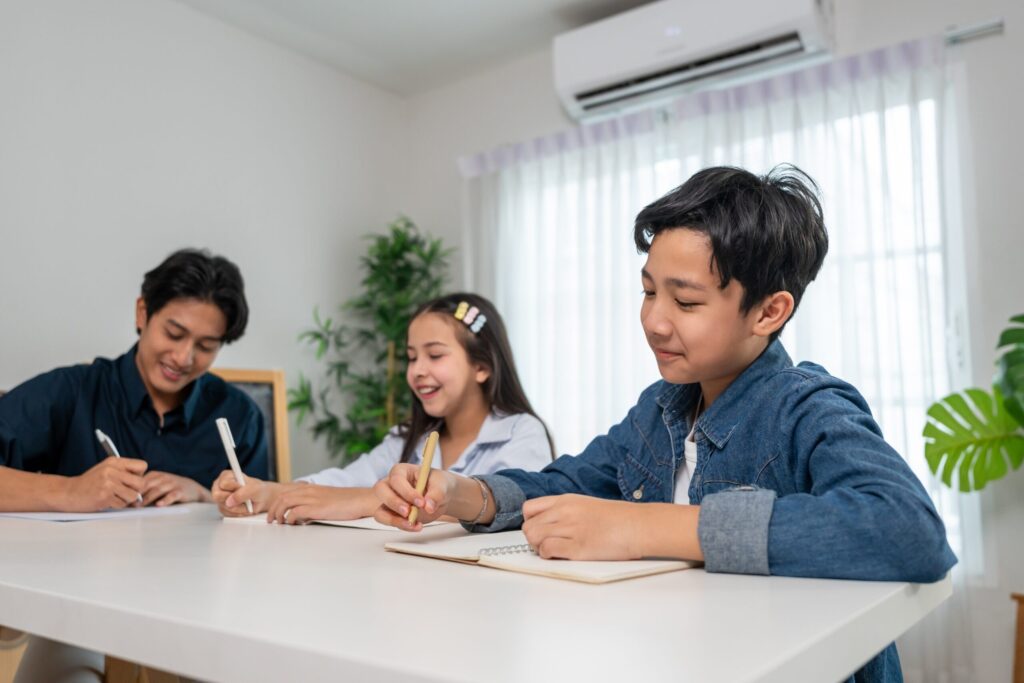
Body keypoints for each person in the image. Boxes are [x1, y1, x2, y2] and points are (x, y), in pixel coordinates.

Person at [373, 166, 957, 682]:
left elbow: (908, 530)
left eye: (686, 302)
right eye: (648, 291)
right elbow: (569, 480)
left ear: (769, 311)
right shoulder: (661, 408)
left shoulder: (806, 405)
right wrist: (463, 495)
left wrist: (644, 527)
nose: (653, 321)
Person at [214, 292, 553, 524]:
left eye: (435, 355)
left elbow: (508, 506)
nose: (417, 370)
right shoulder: (410, 437)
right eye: (411, 357)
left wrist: (363, 502)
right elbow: (347, 479)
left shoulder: (521, 432)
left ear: (483, 367)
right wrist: (269, 492)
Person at [0, 248, 267, 512]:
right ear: (142, 313)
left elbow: (263, 516)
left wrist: (203, 496)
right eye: (174, 333)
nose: (183, 358)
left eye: (206, 346)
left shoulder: (241, 417)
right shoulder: (73, 392)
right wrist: (70, 490)